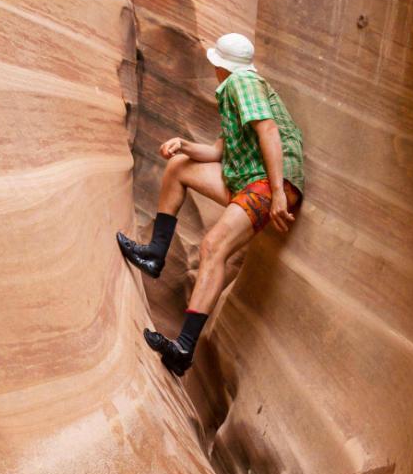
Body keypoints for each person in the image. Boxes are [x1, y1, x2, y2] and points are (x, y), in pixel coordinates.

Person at [117, 33, 305, 376]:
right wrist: (183, 145)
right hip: (248, 179)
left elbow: (269, 132)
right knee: (179, 168)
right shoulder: (239, 91)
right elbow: (218, 153)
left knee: (213, 246)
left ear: (220, 65)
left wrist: (278, 191)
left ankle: (183, 349)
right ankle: (155, 254)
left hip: (267, 182)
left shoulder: (242, 83)